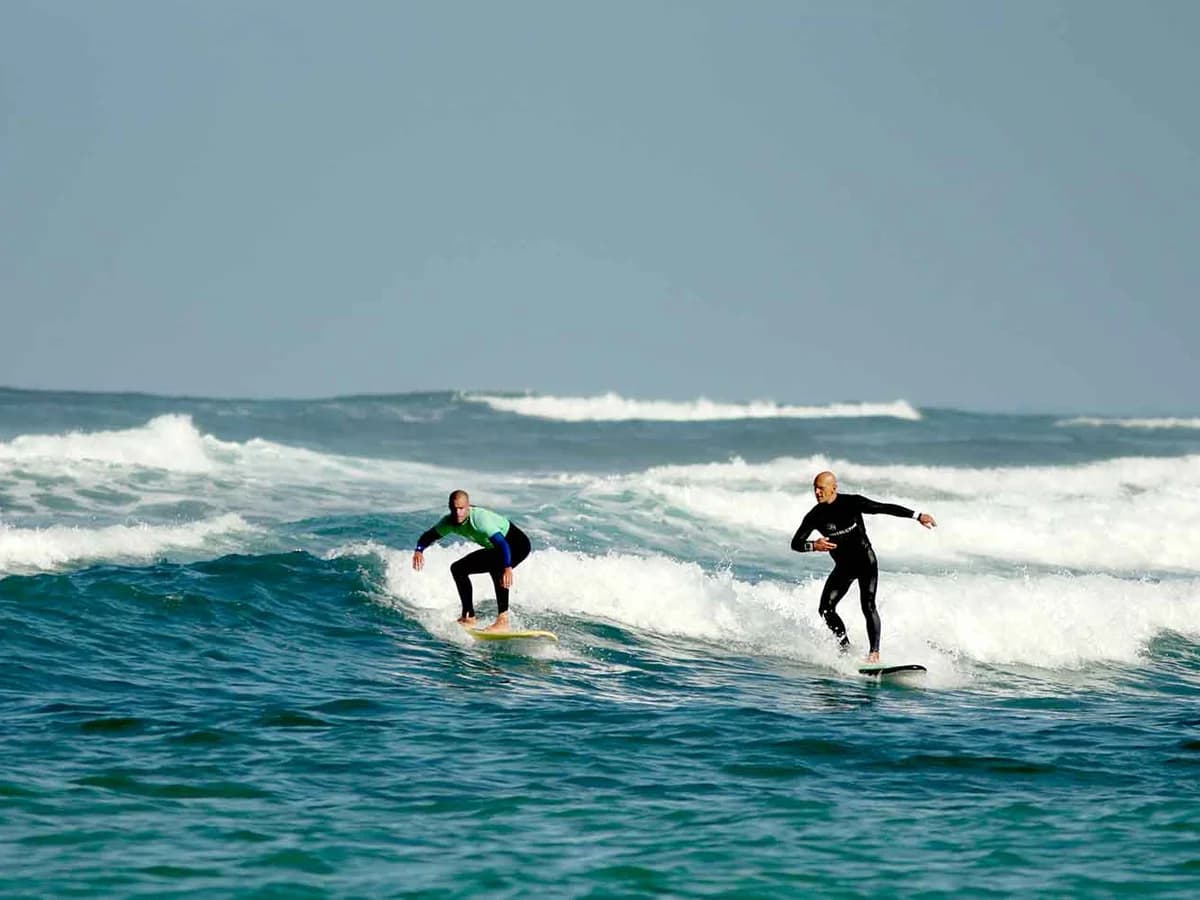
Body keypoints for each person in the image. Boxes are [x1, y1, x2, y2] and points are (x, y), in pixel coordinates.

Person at [791, 471, 936, 662]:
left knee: (868, 606)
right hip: (844, 566)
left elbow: (883, 508)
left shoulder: (852, 503)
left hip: (865, 562)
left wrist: (917, 516)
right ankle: (845, 649)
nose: (817, 492)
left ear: (834, 488)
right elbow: (796, 543)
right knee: (825, 609)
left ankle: (874, 653)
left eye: (821, 488)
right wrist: (813, 545)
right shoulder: (815, 515)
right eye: (815, 488)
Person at [412, 490, 532, 632]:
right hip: (496, 549)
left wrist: (507, 568)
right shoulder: (448, 522)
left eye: (461, 508)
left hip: (517, 545)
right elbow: (429, 536)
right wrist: (419, 550)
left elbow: (503, 544)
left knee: (497, 568)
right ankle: (468, 616)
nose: (458, 513)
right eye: (454, 508)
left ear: (468, 506)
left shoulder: (480, 520)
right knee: (458, 569)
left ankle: (503, 621)